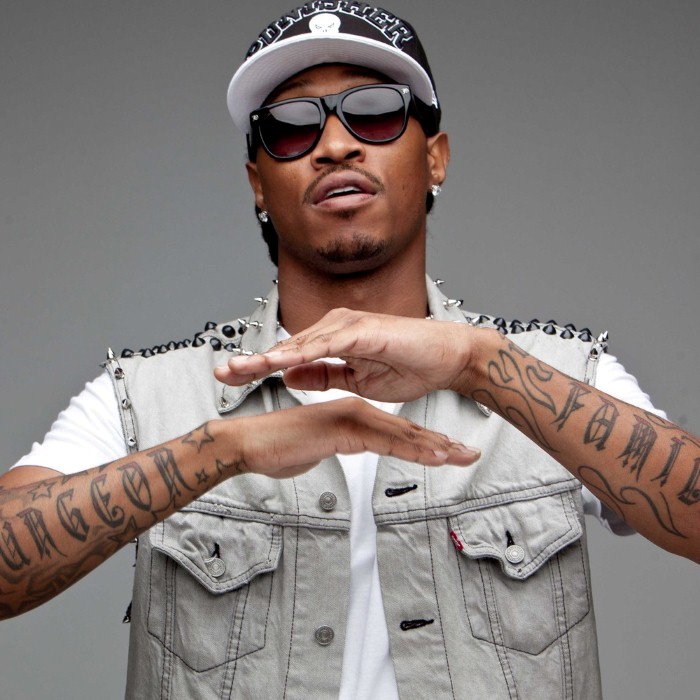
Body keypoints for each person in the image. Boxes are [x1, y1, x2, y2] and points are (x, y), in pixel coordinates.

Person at [1, 3, 698, 698]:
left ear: (435, 158)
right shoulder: (149, 396)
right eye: (291, 126)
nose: (335, 144)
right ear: (257, 185)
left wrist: (480, 367)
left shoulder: (558, 376)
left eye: (374, 113)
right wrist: (221, 451)